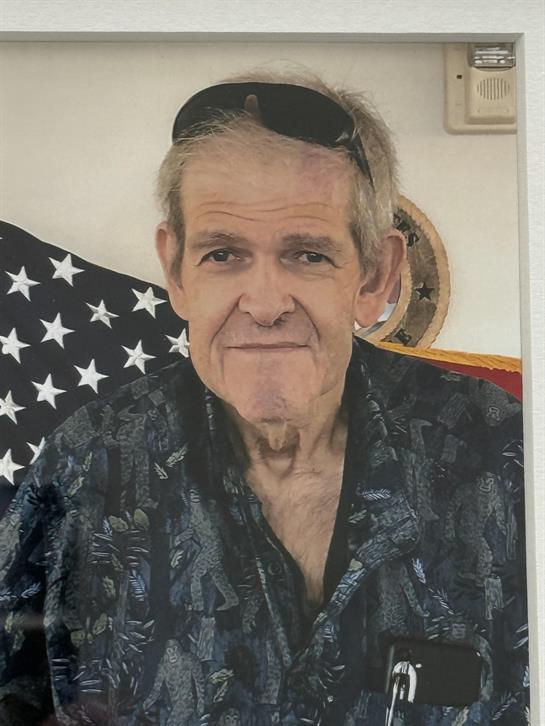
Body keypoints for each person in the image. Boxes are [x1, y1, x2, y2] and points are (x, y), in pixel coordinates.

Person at [0, 70, 528, 725]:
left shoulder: (500, 454)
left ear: (375, 275)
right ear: (176, 271)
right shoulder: (87, 464)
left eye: (308, 255)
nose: (266, 303)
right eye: (223, 255)